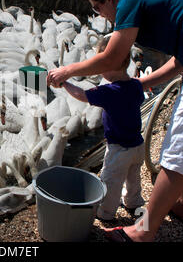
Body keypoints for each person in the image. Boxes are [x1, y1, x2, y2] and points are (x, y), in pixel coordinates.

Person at [47, 0, 183, 242]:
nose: (102, 17)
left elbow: (111, 58)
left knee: (178, 149)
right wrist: (138, 86)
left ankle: (144, 232)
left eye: (98, 8)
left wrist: (67, 72)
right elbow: (181, 61)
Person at [61, 36, 145, 221]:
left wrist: (64, 82)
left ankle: (106, 212)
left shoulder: (110, 92)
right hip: (138, 145)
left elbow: (81, 95)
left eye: (100, 65)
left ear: (109, 65)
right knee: (133, 176)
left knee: (111, 180)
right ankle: (133, 201)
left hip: (119, 149)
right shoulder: (136, 86)